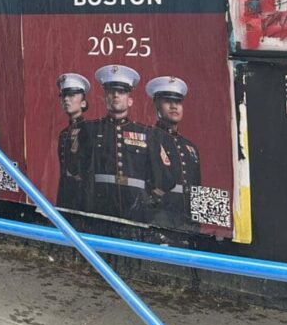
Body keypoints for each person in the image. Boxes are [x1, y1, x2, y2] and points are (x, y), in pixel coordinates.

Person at [80, 64, 161, 223]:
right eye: (110, 91)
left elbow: (160, 175)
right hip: (99, 203)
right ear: (104, 98)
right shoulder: (89, 130)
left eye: (122, 92)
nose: (116, 95)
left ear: (130, 100)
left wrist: (147, 200)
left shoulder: (146, 133)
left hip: (136, 206)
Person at [146, 76, 201, 232]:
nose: (174, 106)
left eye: (178, 102)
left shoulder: (190, 147)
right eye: (167, 101)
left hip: (188, 221)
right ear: (156, 105)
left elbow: (197, 187)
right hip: (159, 218)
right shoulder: (149, 137)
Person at [55, 72, 90, 211]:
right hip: (65, 195)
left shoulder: (89, 131)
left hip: (83, 198)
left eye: (71, 95)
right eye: (64, 96)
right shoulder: (64, 133)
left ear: (83, 102)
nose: (66, 100)